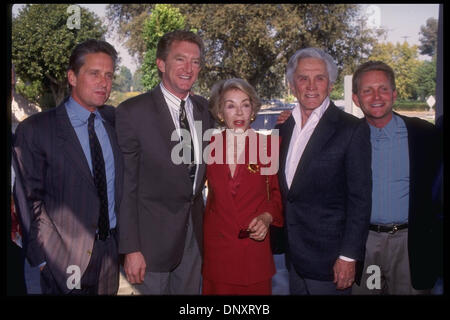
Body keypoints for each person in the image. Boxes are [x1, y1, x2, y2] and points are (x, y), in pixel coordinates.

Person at [13, 39, 123, 295]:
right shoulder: (36, 130)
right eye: (94, 73)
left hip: (110, 253)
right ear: (72, 77)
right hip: (62, 258)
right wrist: (42, 258)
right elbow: (28, 201)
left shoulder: (115, 122)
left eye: (108, 75)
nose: (103, 82)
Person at [115, 30, 214, 294]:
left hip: (193, 239)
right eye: (180, 59)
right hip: (149, 246)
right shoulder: (132, 113)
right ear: (161, 63)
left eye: (195, 62)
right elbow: (126, 187)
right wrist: (130, 248)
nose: (188, 68)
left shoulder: (205, 111)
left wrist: (288, 120)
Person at [277, 47, 372, 295]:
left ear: (330, 85)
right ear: (291, 84)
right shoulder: (285, 126)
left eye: (319, 78)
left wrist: (348, 257)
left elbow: (360, 200)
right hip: (294, 258)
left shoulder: (351, 129)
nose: (311, 85)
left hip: (331, 262)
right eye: (302, 78)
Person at [351, 61, 442, 295]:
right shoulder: (347, 137)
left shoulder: (424, 135)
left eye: (383, 88)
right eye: (367, 90)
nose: (376, 96)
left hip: (410, 246)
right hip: (366, 246)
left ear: (394, 94)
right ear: (356, 99)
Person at [202, 78, 283, 295]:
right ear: (220, 113)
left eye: (245, 105)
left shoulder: (269, 147)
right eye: (231, 106)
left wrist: (267, 217)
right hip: (218, 254)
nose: (239, 113)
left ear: (253, 111)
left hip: (253, 255)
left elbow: (277, 195)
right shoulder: (207, 148)